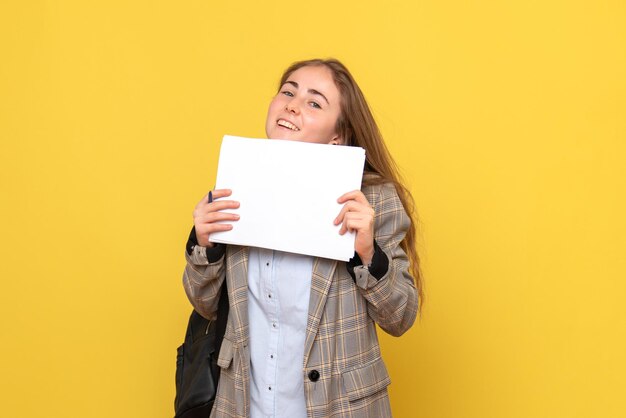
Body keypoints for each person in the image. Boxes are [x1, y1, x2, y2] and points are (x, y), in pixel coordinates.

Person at [183, 58, 423, 418]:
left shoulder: (372, 201)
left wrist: (368, 253)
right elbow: (205, 306)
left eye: (314, 102)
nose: (292, 105)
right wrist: (205, 245)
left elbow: (401, 317)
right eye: (288, 92)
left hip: (339, 408)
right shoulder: (236, 189)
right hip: (244, 406)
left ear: (336, 136)